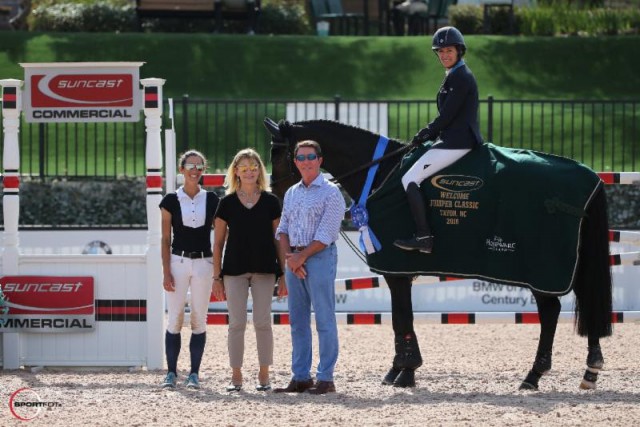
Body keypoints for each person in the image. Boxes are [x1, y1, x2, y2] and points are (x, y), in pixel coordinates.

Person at [394, 26, 483, 254]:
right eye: (440, 51)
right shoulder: (454, 75)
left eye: (449, 50)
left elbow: (447, 116)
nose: (444, 55)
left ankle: (424, 237)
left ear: (459, 51)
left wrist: (425, 133)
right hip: (450, 139)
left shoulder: (461, 76)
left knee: (410, 179)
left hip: (457, 141)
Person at [273, 140, 346, 395]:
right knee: (298, 321)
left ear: (320, 160)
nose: (306, 162)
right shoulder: (292, 192)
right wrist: (290, 258)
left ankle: (326, 377)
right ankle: (301, 376)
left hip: (319, 257)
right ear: (295, 161)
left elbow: (326, 234)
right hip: (295, 258)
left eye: (310, 157)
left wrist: (298, 258)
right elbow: (282, 229)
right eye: (301, 158)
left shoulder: (331, 193)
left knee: (324, 318)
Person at [212, 148, 287, 392]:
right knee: (236, 324)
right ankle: (236, 375)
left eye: (254, 167)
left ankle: (264, 373)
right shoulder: (226, 203)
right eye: (244, 168)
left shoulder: (270, 201)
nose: (249, 172)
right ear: (236, 172)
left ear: (260, 171)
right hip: (234, 271)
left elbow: (278, 239)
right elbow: (218, 243)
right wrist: (217, 276)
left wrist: (284, 273)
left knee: (263, 322)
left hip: (265, 269)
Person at [160, 149, 219, 389]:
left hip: (204, 263)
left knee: (199, 319)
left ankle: (194, 372)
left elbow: (221, 237)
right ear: (181, 169)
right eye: (190, 166)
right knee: (174, 318)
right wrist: (166, 271)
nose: (195, 171)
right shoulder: (171, 200)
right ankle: (171, 372)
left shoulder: (213, 199)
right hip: (178, 262)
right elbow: (165, 239)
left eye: (199, 166)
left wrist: (218, 270)